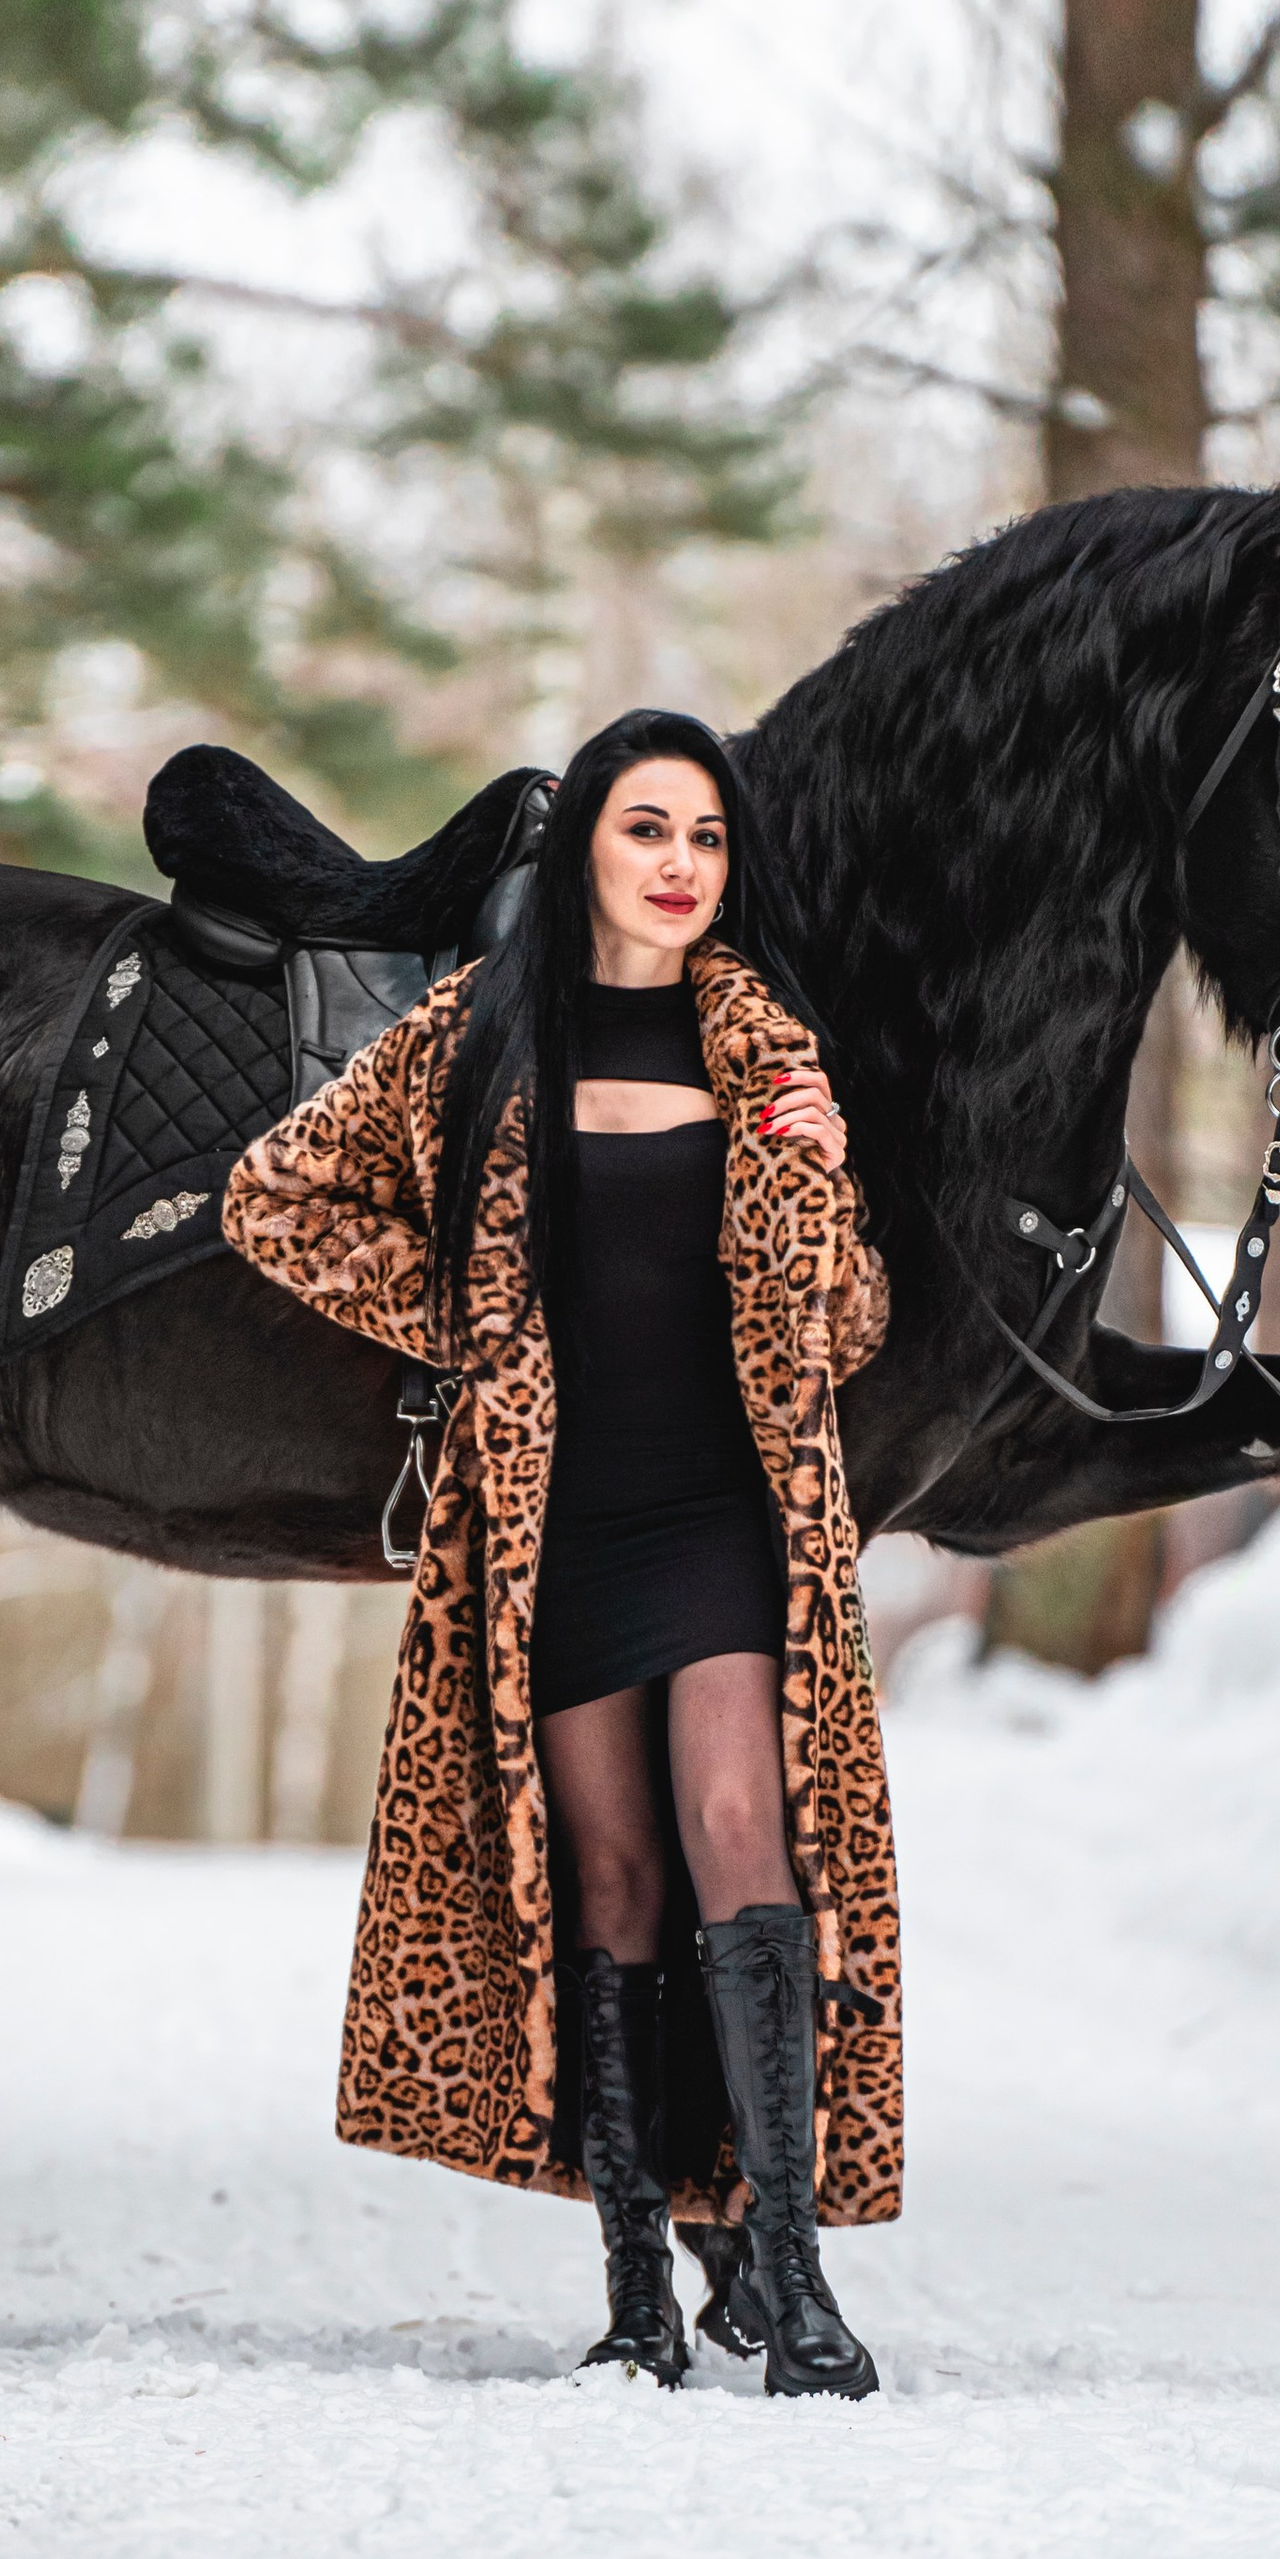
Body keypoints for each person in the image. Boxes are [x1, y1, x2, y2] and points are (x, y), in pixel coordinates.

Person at [224, 708, 902, 2396]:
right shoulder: (479, 1035)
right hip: (555, 1526)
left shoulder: (766, 1045)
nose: (680, 866)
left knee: (741, 1828)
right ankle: (636, 2298)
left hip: (730, 1511)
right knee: (605, 1883)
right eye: (647, 830)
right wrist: (470, 1317)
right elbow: (273, 1196)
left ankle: (796, 2283)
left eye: (707, 838)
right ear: (587, 842)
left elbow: (851, 1328)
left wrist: (822, 1183)